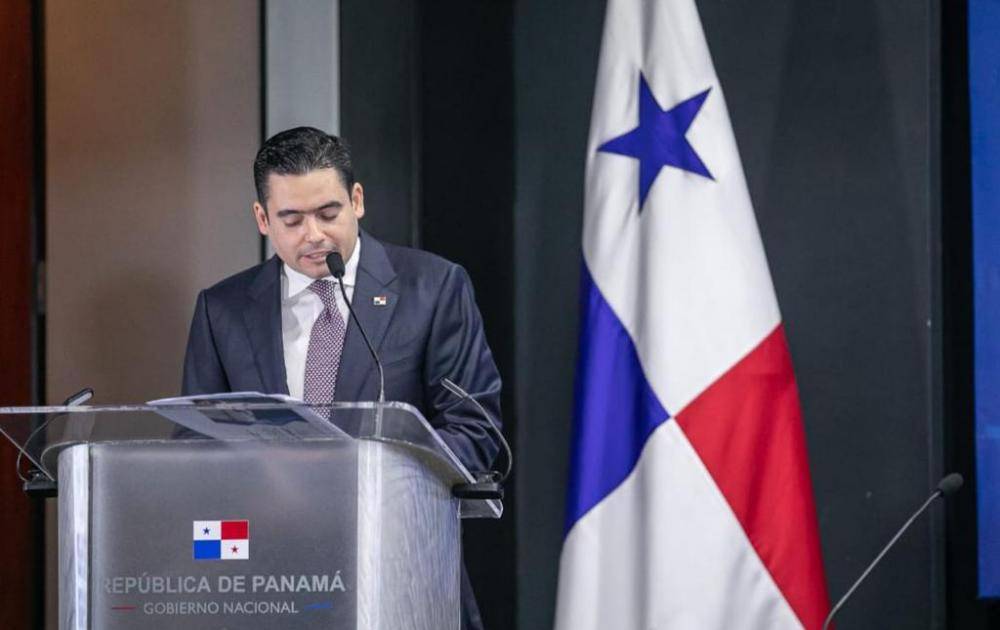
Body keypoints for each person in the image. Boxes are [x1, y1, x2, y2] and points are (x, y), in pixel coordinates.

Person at [181, 126, 502, 629]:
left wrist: (377, 476)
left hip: (400, 570)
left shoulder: (433, 287)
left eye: (328, 214)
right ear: (263, 219)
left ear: (357, 201)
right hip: (266, 582)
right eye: (292, 219)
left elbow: (475, 430)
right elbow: (195, 445)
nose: (314, 235)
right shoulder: (222, 310)